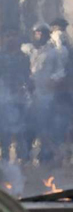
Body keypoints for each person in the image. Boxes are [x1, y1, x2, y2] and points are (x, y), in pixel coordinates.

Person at [23, 23, 68, 164]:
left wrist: (53, 80)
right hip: (27, 93)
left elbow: (60, 71)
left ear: (47, 35)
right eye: (37, 33)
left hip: (46, 94)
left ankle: (47, 154)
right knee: (27, 124)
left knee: (44, 124)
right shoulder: (26, 50)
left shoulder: (53, 52)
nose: (39, 35)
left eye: (42, 33)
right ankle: (25, 153)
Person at [0, 27, 31, 161]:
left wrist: (26, 88)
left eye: (13, 35)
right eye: (8, 35)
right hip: (3, 97)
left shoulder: (23, 57)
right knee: (4, 129)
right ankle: (5, 156)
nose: (11, 38)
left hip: (19, 98)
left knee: (20, 127)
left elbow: (27, 76)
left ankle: (22, 157)